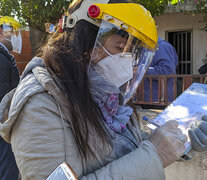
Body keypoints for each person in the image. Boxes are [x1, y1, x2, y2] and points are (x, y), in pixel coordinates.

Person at [0, 0, 205, 179]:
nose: (130, 64)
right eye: (121, 48)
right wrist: (155, 155)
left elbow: (122, 148)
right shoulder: (40, 104)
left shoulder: (104, 95)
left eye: (133, 53)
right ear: (87, 43)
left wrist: (181, 141)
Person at [0, 18, 20, 180]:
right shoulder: (3, 56)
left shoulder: (4, 55)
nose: (10, 35)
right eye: (7, 31)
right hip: (4, 120)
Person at [144, 37, 178, 102]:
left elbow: (167, 70)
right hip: (146, 98)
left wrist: (141, 71)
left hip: (159, 100)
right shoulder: (144, 47)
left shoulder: (161, 46)